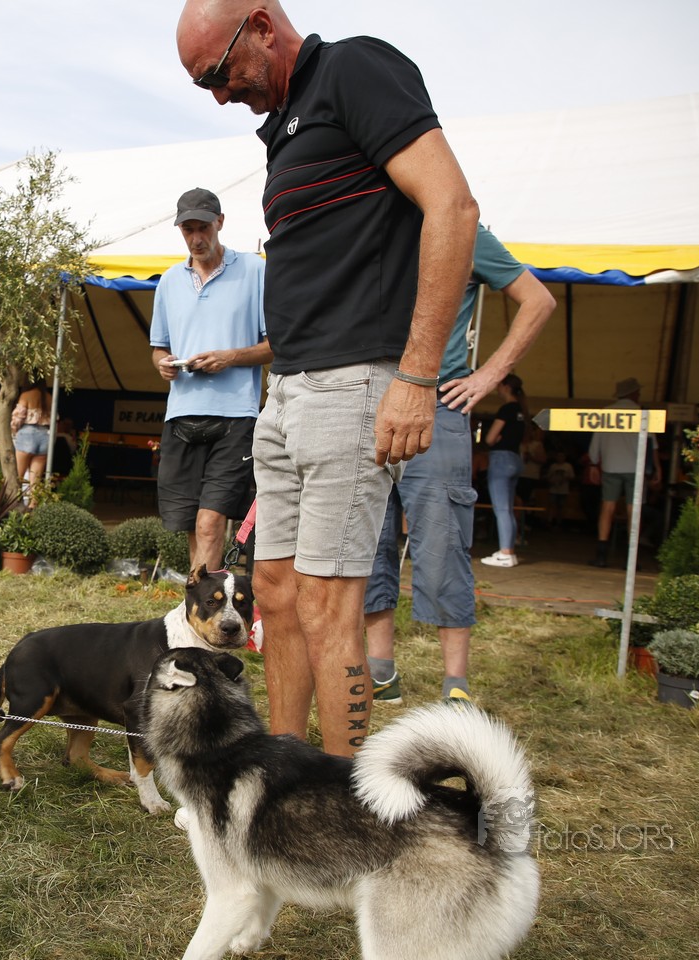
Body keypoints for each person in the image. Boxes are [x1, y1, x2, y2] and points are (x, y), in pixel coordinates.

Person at [177, 1, 479, 755]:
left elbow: (452, 206)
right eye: (204, 85)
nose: (220, 95)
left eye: (219, 74)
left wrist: (417, 377)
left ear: (261, 26)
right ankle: (284, 776)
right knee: (276, 596)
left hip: (355, 383)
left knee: (327, 602)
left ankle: (344, 797)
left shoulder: (353, 68)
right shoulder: (286, 127)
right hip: (288, 390)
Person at [364, 227, 555, 705]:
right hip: (367, 404)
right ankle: (380, 673)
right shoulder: (368, 218)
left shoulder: (462, 229)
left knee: (443, 543)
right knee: (369, 542)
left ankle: (456, 685)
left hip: (438, 403)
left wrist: (489, 375)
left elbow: (538, 300)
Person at [150, 187, 271, 570]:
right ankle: (201, 603)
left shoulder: (254, 270)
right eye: (188, 230)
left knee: (209, 523)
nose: (196, 238)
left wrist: (229, 357)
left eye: (203, 227)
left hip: (236, 415)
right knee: (191, 525)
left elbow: (278, 346)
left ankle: (206, 602)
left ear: (220, 222)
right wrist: (163, 364)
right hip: (181, 415)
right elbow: (158, 348)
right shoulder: (169, 281)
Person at [587, 377, 658, 566]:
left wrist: (593, 464)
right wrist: (656, 469)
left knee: (607, 508)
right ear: (633, 393)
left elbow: (596, 442)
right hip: (636, 468)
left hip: (611, 466)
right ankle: (631, 558)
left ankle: (602, 555)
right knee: (633, 511)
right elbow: (651, 445)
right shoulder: (641, 413)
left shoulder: (606, 413)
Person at [481, 374, 529, 567]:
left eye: (499, 385)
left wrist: (496, 439)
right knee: (508, 509)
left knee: (501, 509)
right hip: (515, 459)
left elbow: (490, 438)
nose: (497, 389)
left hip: (501, 459)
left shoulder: (507, 409)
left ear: (506, 387)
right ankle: (510, 551)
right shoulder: (521, 410)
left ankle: (505, 553)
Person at [12, 381, 52, 495]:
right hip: (45, 435)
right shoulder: (49, 397)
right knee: (36, 481)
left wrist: (13, 431)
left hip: (27, 434)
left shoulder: (26, 395)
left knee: (18, 477)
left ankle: (14, 502)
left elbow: (18, 418)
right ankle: (33, 503)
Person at [545, 448, 576, 529]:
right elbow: (548, 476)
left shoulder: (568, 466)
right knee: (552, 505)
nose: (560, 458)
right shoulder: (553, 466)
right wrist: (552, 481)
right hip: (554, 489)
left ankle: (559, 522)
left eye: (562, 456)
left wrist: (565, 478)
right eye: (558, 456)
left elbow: (572, 477)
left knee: (561, 507)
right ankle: (550, 521)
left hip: (563, 490)